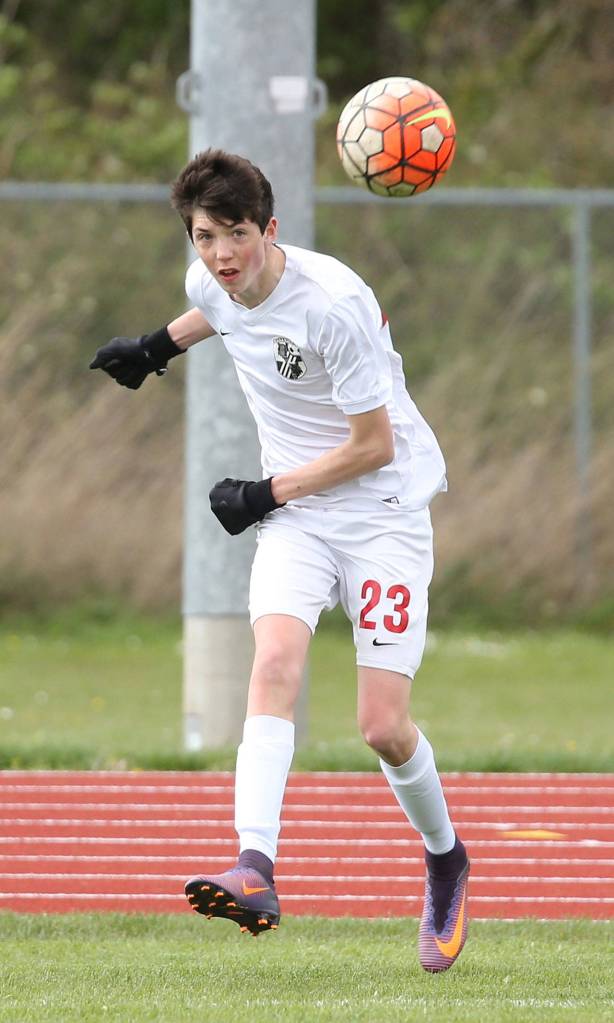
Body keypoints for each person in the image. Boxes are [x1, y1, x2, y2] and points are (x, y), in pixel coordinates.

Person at [90, 148, 469, 973]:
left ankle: (446, 858)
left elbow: (373, 446)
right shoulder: (210, 282)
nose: (222, 254)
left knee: (382, 727)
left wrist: (265, 492)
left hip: (382, 513)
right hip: (299, 518)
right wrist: (155, 346)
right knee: (273, 665)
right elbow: (219, 310)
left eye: (236, 234)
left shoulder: (334, 304)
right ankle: (254, 867)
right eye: (203, 237)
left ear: (270, 229)